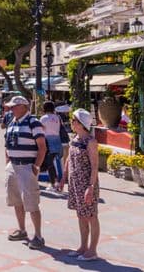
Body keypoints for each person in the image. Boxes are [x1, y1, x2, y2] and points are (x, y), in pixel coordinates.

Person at [3, 95, 47, 250]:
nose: (11, 109)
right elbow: (6, 144)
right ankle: (22, 230)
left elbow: (42, 147)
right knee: (16, 201)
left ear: (23, 106)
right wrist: (7, 162)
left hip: (27, 167)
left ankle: (38, 236)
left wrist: (36, 167)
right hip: (13, 166)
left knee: (31, 203)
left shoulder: (33, 122)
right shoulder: (12, 122)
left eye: (14, 106)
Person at [58, 109, 100, 262]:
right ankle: (83, 247)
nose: (71, 122)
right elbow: (69, 159)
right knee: (81, 215)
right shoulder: (75, 138)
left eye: (74, 120)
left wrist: (90, 187)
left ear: (82, 123)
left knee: (91, 216)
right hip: (75, 182)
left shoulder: (90, 142)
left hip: (87, 183)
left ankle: (92, 250)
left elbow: (94, 166)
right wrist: (63, 177)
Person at [40, 101, 63, 193]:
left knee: (49, 164)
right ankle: (55, 182)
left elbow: (40, 130)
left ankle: (54, 183)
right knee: (51, 163)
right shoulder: (57, 117)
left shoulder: (43, 118)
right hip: (57, 141)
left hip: (48, 142)